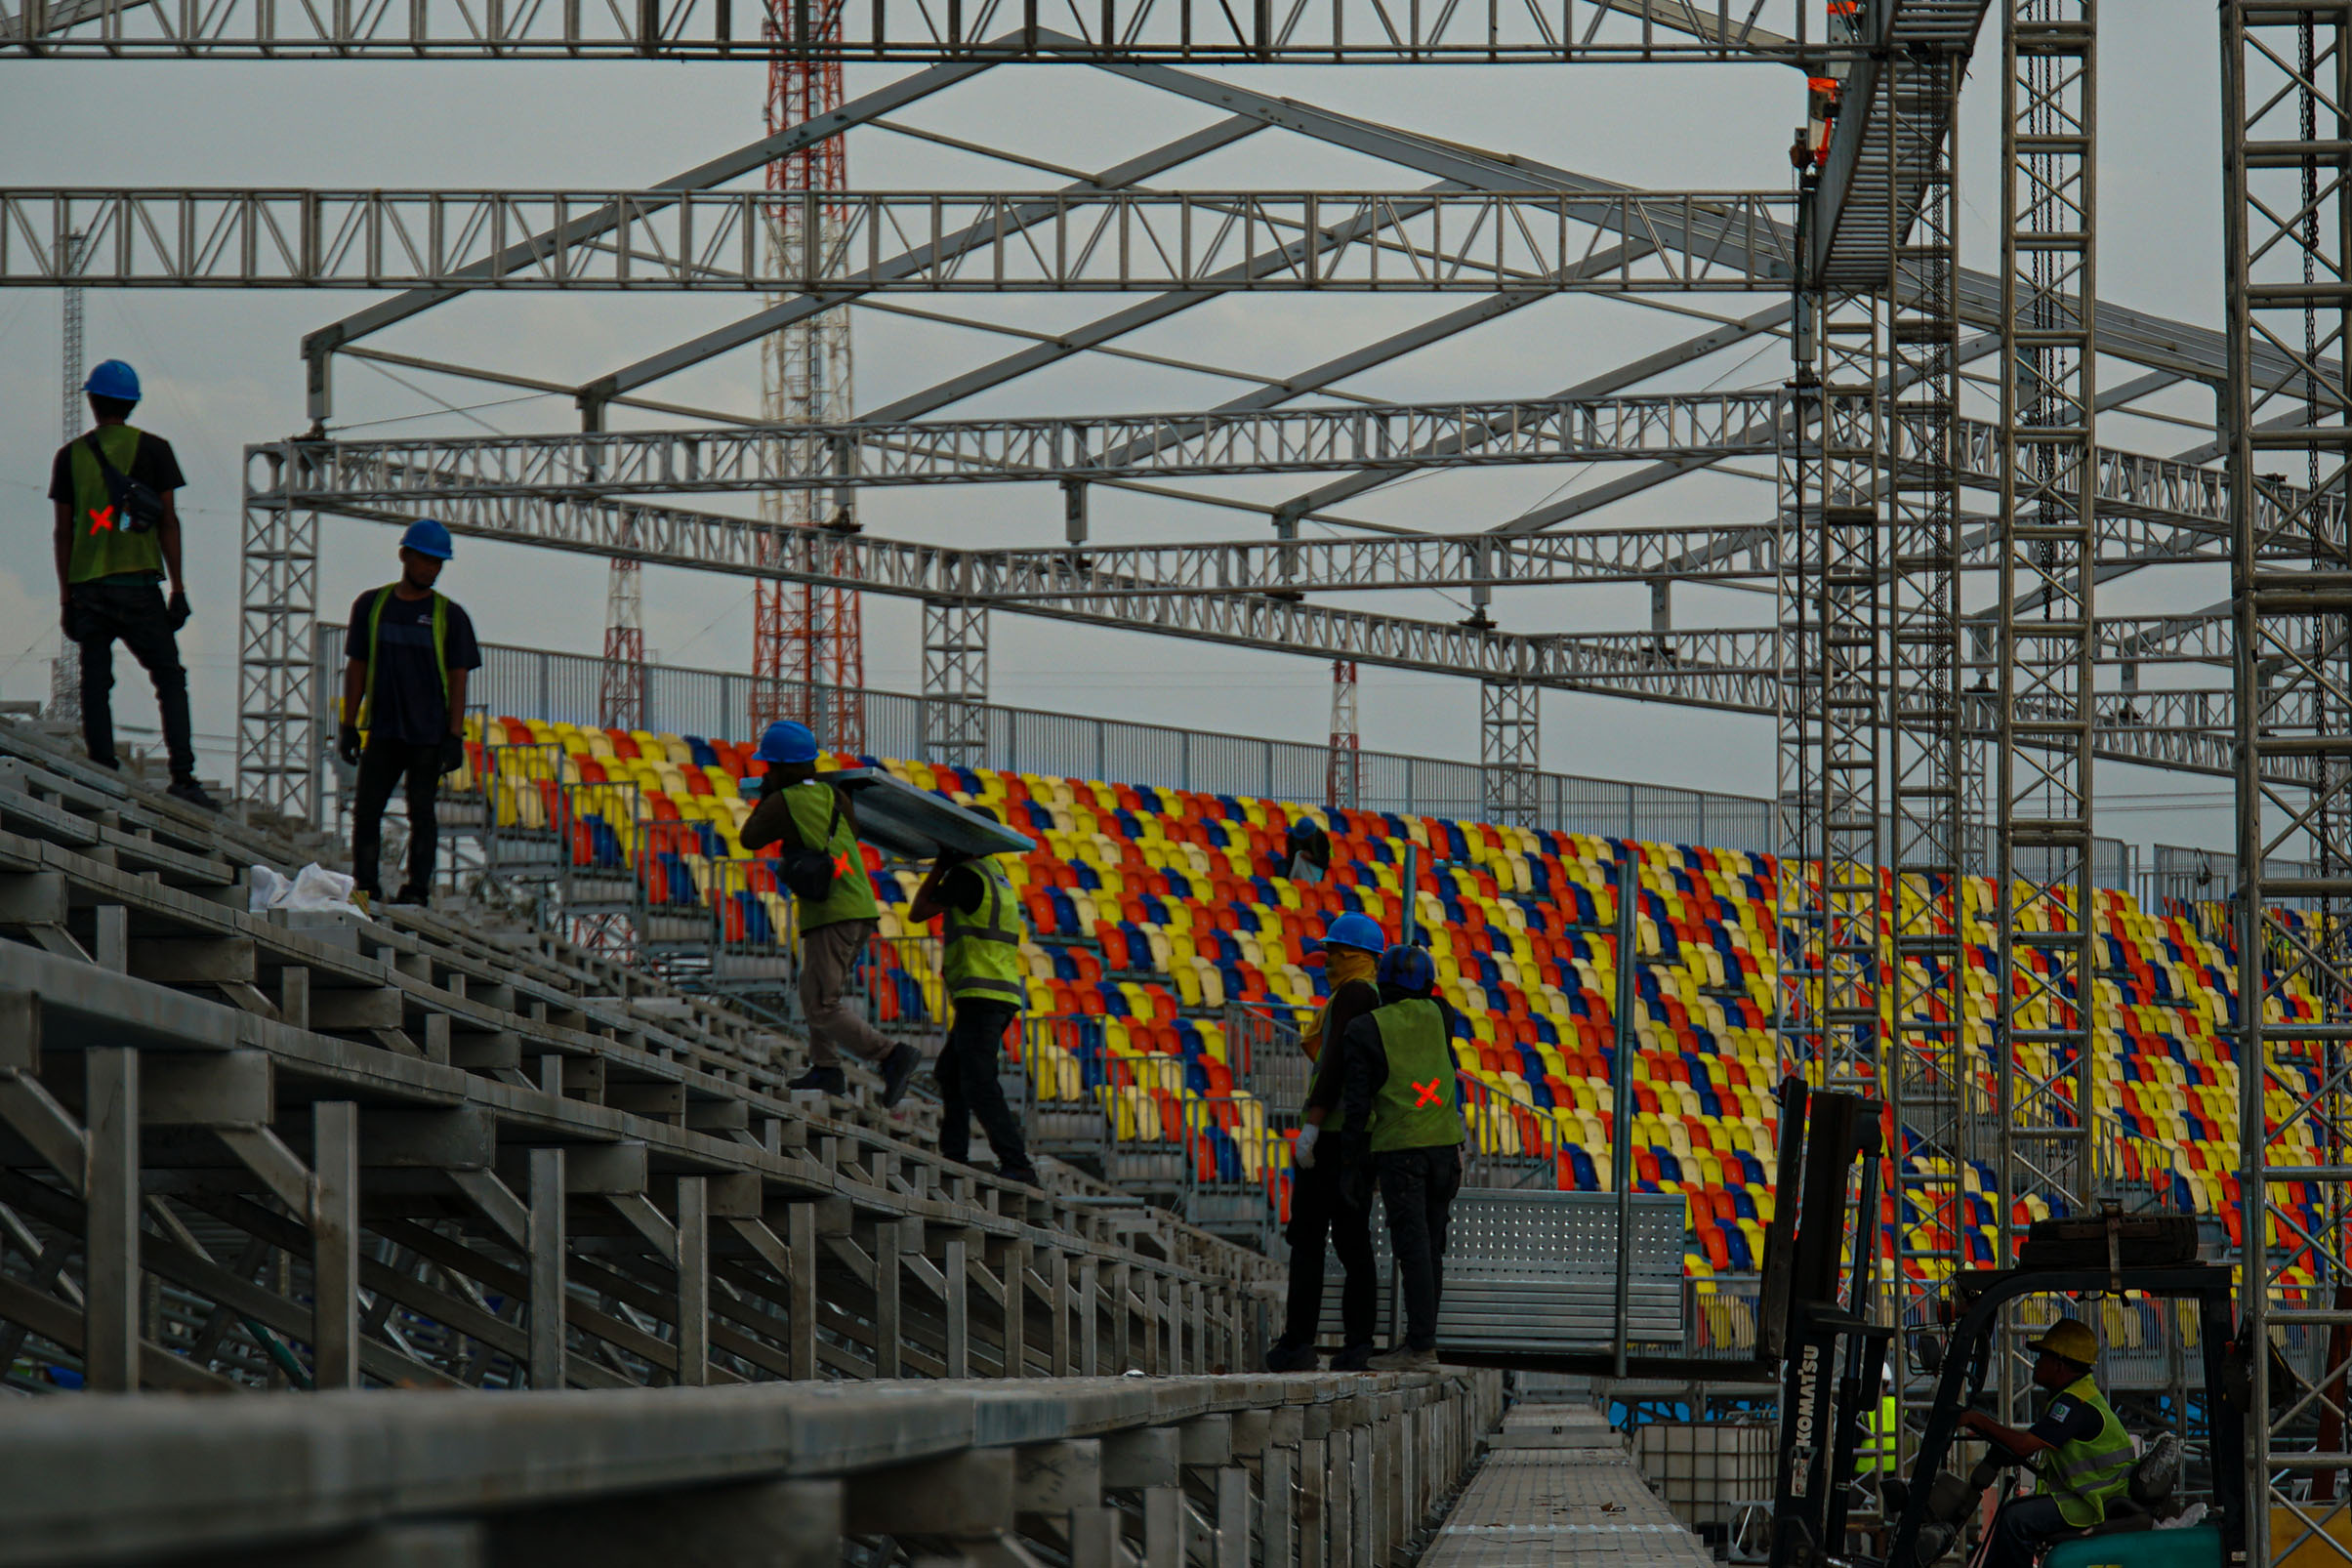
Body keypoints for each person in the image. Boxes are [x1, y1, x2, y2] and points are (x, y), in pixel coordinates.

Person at [48, 358, 213, 808]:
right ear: (133, 403)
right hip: (138, 584)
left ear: (93, 401)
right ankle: (183, 776)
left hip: (87, 586)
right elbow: (169, 523)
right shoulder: (156, 450)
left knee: (95, 679)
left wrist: (66, 597)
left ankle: (101, 766)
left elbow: (63, 531)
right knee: (168, 677)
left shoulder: (71, 457)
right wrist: (177, 587)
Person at [739, 720, 920, 1105]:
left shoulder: (781, 800)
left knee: (822, 1004)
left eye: (770, 765)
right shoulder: (834, 795)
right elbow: (851, 834)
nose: (766, 771)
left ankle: (890, 1055)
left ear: (782, 766)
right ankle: (827, 1068)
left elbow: (750, 838)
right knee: (813, 989)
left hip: (831, 912)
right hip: (860, 906)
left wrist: (769, 796)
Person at [336, 519, 481, 908]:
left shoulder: (450, 616)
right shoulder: (372, 606)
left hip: (428, 736)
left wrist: (454, 735)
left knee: (422, 813)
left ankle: (417, 890)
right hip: (383, 730)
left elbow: (458, 678)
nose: (431, 569)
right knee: (367, 810)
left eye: (438, 563)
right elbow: (357, 667)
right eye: (426, 560)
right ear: (404, 556)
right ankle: (365, 886)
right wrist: (347, 725)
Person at [1264, 910, 1385, 1374]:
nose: (1328, 963)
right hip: (1353, 1138)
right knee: (1352, 1241)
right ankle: (1355, 1345)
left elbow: (1335, 1061)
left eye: (1335, 954)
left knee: (1313, 1241)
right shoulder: (1364, 994)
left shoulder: (1355, 994)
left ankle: (1302, 1342)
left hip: (1335, 1139)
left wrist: (1313, 1123)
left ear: (1356, 957)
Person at [1338, 942, 1466, 1372]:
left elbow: (1357, 1107)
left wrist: (1351, 1167)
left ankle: (1421, 1348)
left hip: (1402, 1152)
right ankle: (1422, 1342)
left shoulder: (1363, 1028)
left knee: (1411, 1247)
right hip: (1445, 1150)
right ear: (1427, 984)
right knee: (1431, 1249)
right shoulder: (1442, 1014)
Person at [908, 815, 1040, 1187]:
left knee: (979, 1080)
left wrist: (939, 868)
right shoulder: (995, 872)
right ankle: (955, 1155)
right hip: (995, 992)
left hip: (981, 994)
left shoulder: (967, 877)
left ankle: (1017, 1163)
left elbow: (918, 912)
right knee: (950, 1073)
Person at [1959, 1318, 2134, 1568]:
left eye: (2042, 1357)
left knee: (2015, 1518)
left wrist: (1978, 1420)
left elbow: (2022, 1445)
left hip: (2094, 1503)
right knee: (2013, 1511)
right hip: (2090, 1497)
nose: (2036, 1363)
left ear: (2059, 1364)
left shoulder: (2073, 1405)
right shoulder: (2076, 1397)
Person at [1281, 814, 1331, 884]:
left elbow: (1325, 863)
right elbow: (1291, 858)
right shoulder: (1292, 838)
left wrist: (1312, 858)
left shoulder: (1321, 838)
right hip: (1297, 867)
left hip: (1315, 869)